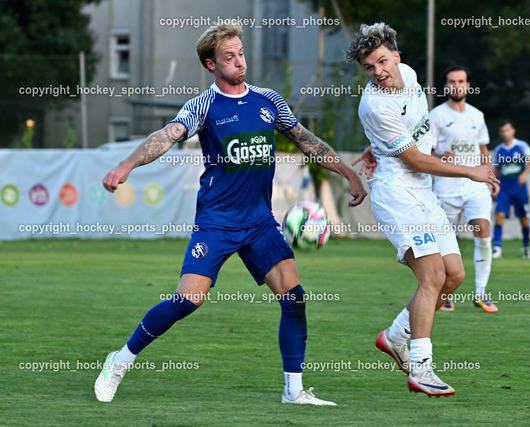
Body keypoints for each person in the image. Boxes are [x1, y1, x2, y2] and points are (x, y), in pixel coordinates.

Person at [94, 24, 367, 406]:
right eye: (229, 57)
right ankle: (120, 360)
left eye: (240, 53)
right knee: (188, 300)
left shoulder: (268, 100)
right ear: (211, 64)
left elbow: (307, 140)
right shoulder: (203, 106)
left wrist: (348, 172)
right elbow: (167, 135)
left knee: (294, 297)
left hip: (259, 222)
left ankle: (293, 391)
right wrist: (127, 164)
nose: (240, 62)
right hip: (217, 221)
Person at [346, 23, 499, 397]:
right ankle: (421, 369)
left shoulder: (410, 75)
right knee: (432, 276)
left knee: (454, 276)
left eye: (383, 61)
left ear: (396, 57)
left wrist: (377, 146)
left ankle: (395, 335)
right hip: (397, 195)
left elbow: (413, 131)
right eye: (369, 67)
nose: (378, 71)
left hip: (423, 192)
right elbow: (414, 159)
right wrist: (471, 171)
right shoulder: (374, 105)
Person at [429, 65, 500, 313]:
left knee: (483, 232)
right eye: (451, 82)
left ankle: (480, 293)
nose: (456, 86)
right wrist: (440, 156)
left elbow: (483, 151)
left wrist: (490, 178)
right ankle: (446, 294)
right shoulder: (436, 115)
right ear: (445, 86)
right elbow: (424, 152)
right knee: (447, 242)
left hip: (474, 187)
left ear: (468, 86)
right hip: (446, 187)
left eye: (460, 81)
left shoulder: (477, 116)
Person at [492, 120, 530, 259]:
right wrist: (494, 185)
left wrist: (524, 174)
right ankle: (497, 248)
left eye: (507, 130)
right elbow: (497, 169)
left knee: (524, 219)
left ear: (513, 131)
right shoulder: (499, 149)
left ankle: (526, 247)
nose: (505, 133)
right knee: (499, 216)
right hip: (504, 188)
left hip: (519, 188)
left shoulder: (521, 145)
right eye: (502, 131)